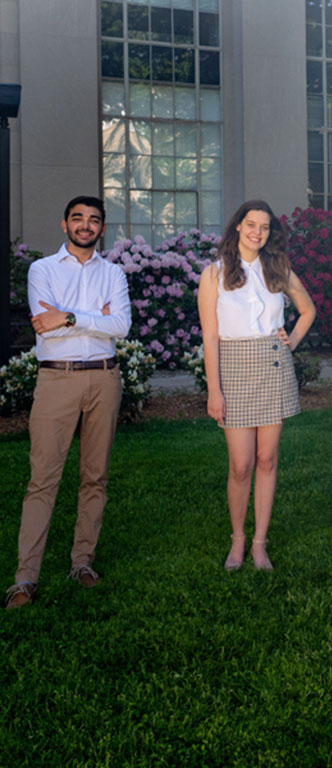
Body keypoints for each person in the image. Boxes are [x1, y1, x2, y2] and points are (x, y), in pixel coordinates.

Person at [4, 196, 131, 610]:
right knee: (43, 479)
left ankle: (82, 562)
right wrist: (96, 316)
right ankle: (25, 578)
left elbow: (122, 326)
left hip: (104, 379)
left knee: (95, 476)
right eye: (78, 218)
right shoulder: (42, 270)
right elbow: (46, 328)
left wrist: (70, 316)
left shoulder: (113, 272)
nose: (85, 225)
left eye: (94, 220)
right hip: (57, 379)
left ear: (102, 229)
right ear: (64, 225)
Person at [197, 200, 316, 572]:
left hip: (272, 364)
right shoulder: (214, 274)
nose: (257, 232)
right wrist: (214, 390)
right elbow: (211, 338)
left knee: (267, 459)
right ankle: (238, 540)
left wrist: (290, 340)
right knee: (241, 464)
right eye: (251, 224)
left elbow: (308, 309)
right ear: (238, 226)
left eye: (264, 227)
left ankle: (260, 545)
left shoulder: (277, 267)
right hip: (233, 367)